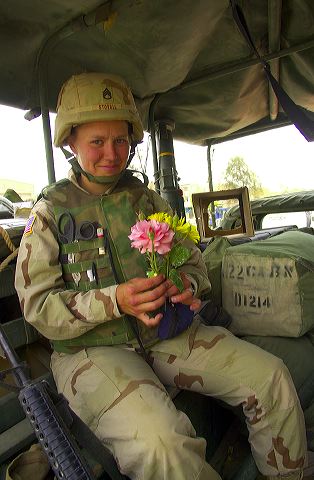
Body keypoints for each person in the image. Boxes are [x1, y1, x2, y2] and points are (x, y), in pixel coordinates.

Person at [15, 72, 307, 480]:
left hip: (166, 333)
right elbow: (38, 307)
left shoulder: (146, 199)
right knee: (162, 444)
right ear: (70, 141)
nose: (111, 154)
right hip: (92, 352)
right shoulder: (49, 216)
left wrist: (185, 285)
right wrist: (116, 300)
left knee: (271, 378)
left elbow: (193, 264)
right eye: (96, 142)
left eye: (120, 141)